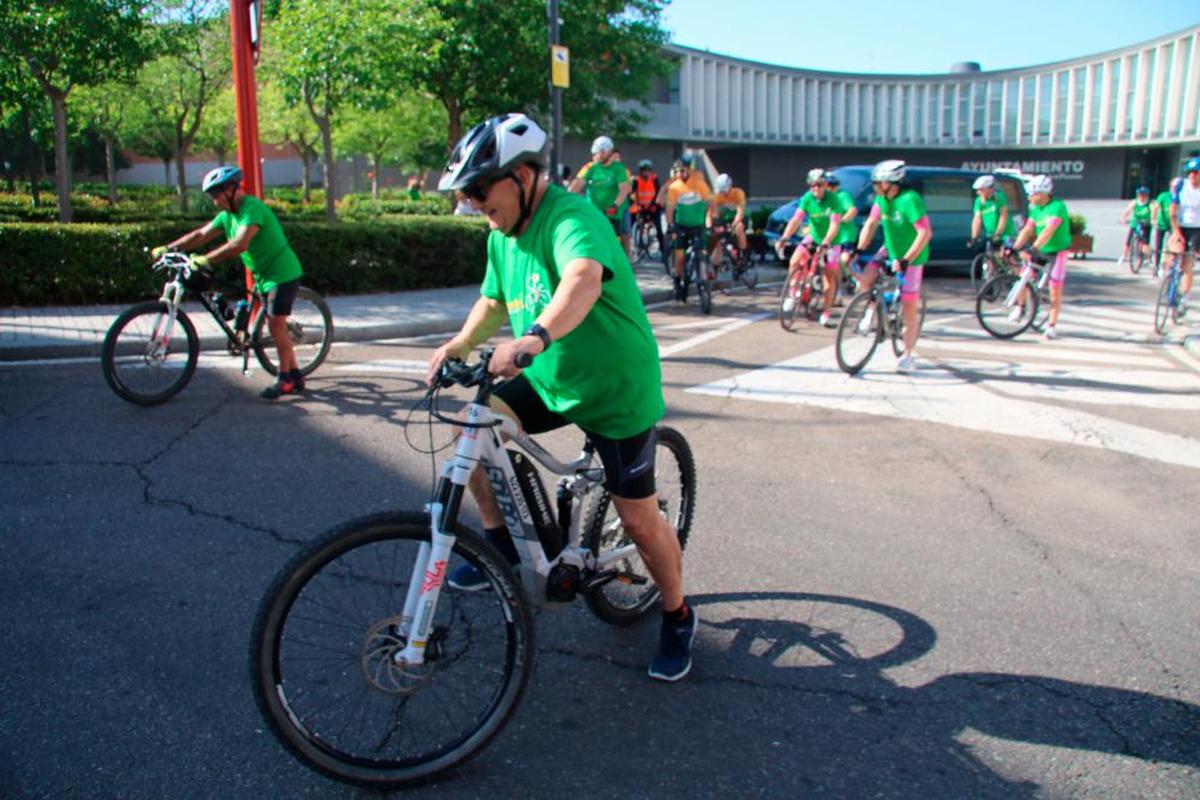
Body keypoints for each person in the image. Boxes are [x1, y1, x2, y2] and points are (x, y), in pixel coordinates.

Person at [429, 113, 696, 682]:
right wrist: (461, 340)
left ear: (523, 175)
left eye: (480, 190)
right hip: (551, 377)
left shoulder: (572, 217)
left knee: (639, 519)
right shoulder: (504, 234)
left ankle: (676, 615)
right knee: (471, 428)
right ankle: (502, 548)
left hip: (614, 388)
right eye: (468, 195)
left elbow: (581, 280)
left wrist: (535, 337)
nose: (476, 203)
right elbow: (493, 300)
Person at [151, 165, 306, 399]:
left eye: (216, 194)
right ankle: (295, 374)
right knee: (277, 326)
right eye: (211, 196)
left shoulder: (251, 209)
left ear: (232, 189)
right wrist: (170, 248)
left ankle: (285, 379)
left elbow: (239, 244)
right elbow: (201, 235)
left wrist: (205, 259)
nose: (214, 201)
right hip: (262, 274)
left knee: (275, 324)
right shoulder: (228, 216)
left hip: (282, 273)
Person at [850, 160, 931, 371]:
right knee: (866, 277)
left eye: (879, 183)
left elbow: (924, 233)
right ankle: (871, 311)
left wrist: (906, 260)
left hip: (913, 255)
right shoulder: (881, 199)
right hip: (891, 248)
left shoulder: (910, 199)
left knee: (909, 306)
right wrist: (858, 249)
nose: (875, 186)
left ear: (892, 182)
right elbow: (871, 223)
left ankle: (907, 355)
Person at [775, 168, 842, 327]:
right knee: (794, 261)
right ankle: (793, 293)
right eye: (812, 185)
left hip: (831, 240)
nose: (815, 189)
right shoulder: (807, 198)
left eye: (819, 185)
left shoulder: (834, 200)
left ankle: (826, 312)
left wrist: (826, 242)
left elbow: (835, 224)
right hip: (814, 236)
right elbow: (796, 219)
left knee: (829, 277)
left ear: (825, 184)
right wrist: (785, 237)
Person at [1010, 174, 1071, 339]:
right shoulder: (1035, 209)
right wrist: (1014, 247)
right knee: (1023, 276)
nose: (1029, 197)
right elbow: (1028, 230)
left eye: (1032, 194)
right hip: (1041, 250)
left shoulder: (1058, 206)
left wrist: (1033, 248)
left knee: (1054, 291)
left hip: (1057, 252)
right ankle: (1020, 307)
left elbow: (1048, 231)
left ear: (1042, 194)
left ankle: (1051, 326)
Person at [569, 135, 633, 253]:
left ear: (608, 151)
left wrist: (615, 205)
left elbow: (623, 189)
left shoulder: (618, 169)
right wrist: (568, 200)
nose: (597, 156)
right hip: (593, 210)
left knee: (613, 242)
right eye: (596, 153)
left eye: (600, 153)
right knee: (589, 238)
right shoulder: (590, 167)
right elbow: (576, 185)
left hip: (612, 212)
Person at [664, 154, 714, 302]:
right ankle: (678, 281)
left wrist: (711, 217)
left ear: (690, 170)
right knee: (680, 257)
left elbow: (710, 201)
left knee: (702, 251)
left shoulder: (699, 183)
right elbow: (670, 209)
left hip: (698, 225)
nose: (681, 174)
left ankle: (704, 276)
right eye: (678, 171)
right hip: (681, 226)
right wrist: (670, 225)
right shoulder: (674, 187)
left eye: (684, 170)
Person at [1167, 157, 1200, 316]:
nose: (1192, 176)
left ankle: (1184, 299)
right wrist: (1176, 232)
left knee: (1187, 265)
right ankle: (1168, 273)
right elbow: (1172, 211)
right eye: (1190, 173)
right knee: (1172, 250)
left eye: (1196, 172)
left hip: (1197, 229)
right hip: (1180, 225)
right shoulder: (1181, 186)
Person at [826, 170, 859, 304]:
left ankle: (856, 278)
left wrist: (843, 219)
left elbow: (852, 210)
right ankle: (836, 293)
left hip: (845, 236)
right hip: (832, 237)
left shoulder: (843, 196)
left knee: (843, 261)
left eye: (830, 186)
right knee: (833, 266)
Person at [709, 173, 747, 275]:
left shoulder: (738, 193)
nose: (722, 194)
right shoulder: (716, 196)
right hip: (725, 221)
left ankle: (743, 254)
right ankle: (714, 269)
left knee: (739, 228)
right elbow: (711, 214)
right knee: (720, 244)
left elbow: (740, 212)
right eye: (720, 191)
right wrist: (710, 226)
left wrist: (734, 225)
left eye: (724, 191)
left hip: (739, 219)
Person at [630, 158, 665, 258]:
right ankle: (635, 247)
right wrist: (637, 203)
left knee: (659, 228)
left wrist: (654, 205)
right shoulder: (636, 180)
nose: (646, 173)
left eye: (648, 170)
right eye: (644, 170)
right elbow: (633, 194)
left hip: (653, 207)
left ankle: (663, 250)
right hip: (641, 207)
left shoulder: (654, 179)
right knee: (632, 224)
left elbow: (659, 193)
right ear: (640, 171)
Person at [969, 174, 1014, 250]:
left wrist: (998, 233)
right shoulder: (978, 201)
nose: (978, 192)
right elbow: (977, 219)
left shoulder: (999, 197)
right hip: (990, 234)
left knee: (1007, 256)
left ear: (988, 189)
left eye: (981, 190)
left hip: (1005, 233)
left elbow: (1003, 216)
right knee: (990, 257)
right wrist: (974, 237)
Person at [1119, 186, 1153, 267]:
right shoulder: (1135, 202)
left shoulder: (1150, 203)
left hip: (1146, 223)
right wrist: (1123, 218)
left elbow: (1153, 211)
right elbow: (1127, 211)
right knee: (1129, 239)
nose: (1142, 197)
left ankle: (1147, 258)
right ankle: (1124, 256)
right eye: (1140, 195)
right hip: (1135, 222)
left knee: (1145, 242)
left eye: (1144, 195)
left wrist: (1153, 219)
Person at [1151, 181, 1177, 275]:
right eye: (1173, 186)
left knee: (1170, 246)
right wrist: (1153, 219)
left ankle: (1166, 265)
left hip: (1172, 225)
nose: (1174, 188)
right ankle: (1156, 265)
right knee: (1158, 246)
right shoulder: (1164, 195)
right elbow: (1156, 207)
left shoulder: (1180, 196)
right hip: (1161, 223)